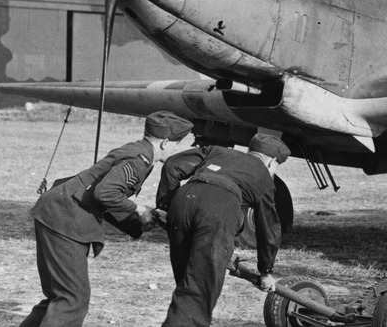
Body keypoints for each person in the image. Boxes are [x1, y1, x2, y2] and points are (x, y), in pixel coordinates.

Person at [20, 111, 194, 327]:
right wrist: (138, 209)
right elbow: (104, 193)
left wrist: (141, 218)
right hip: (66, 219)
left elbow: (103, 195)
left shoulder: (136, 150)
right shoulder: (139, 161)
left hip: (57, 212)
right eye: (177, 145)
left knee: (59, 296)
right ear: (166, 142)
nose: (177, 150)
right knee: (72, 300)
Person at [156, 133, 290, 327]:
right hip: (217, 210)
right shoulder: (263, 176)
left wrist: (164, 205)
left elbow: (172, 165)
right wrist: (266, 271)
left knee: (187, 284)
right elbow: (268, 228)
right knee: (199, 291)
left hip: (184, 201)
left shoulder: (217, 151)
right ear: (272, 162)